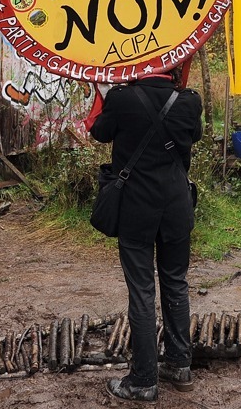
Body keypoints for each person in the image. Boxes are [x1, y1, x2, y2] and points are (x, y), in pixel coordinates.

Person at [88, 65, 202, 402]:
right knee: (176, 283)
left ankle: (143, 381)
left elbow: (100, 132)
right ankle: (180, 365)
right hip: (177, 206)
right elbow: (192, 137)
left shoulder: (122, 98)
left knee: (142, 292)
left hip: (136, 209)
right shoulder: (189, 100)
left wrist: (108, 95)